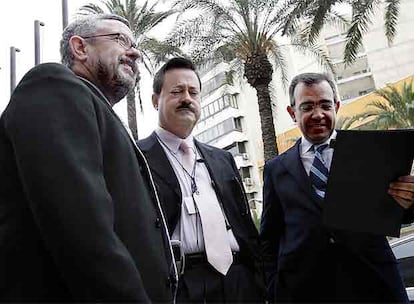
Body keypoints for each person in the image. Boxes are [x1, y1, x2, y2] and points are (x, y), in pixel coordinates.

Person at [0, 14, 177, 302]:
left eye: (136, 45)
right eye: (120, 39)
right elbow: (81, 231)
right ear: (80, 48)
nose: (134, 52)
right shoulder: (53, 85)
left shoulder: (98, 113)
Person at [260, 72, 414, 303]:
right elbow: (268, 240)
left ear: (336, 106)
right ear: (293, 113)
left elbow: (397, 213)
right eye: (307, 107)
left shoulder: (371, 153)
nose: (318, 114)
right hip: (306, 292)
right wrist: (275, 289)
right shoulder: (275, 170)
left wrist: (409, 200)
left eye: (324, 105)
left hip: (374, 285)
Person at [137, 57, 264, 303]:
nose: (187, 98)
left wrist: (258, 280)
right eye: (177, 91)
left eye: (193, 92)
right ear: (156, 100)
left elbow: (244, 224)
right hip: (183, 286)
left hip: (239, 282)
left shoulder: (222, 159)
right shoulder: (136, 157)